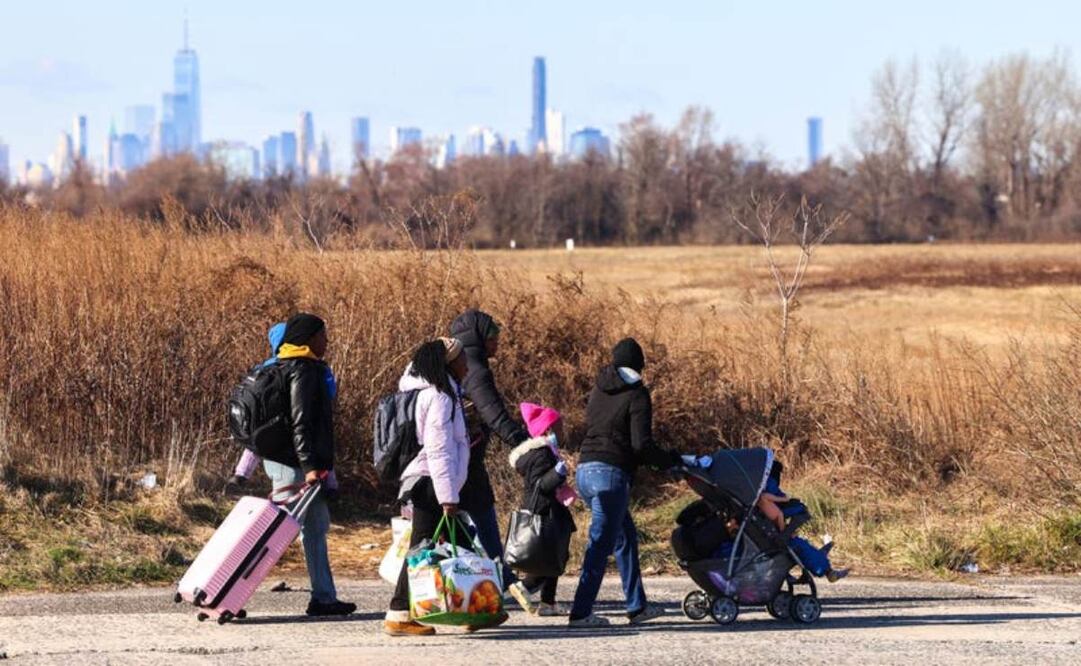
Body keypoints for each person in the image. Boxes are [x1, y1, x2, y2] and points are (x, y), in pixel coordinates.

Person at [384, 338, 509, 636]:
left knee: (463, 542)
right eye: (462, 358)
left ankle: (478, 608)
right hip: (432, 482)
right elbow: (438, 449)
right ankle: (399, 613)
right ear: (449, 363)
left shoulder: (440, 393)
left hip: (438, 480)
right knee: (422, 547)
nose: (467, 364)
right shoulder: (439, 397)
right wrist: (448, 497)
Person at [569, 338, 682, 628]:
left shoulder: (598, 389)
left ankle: (637, 607)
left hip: (584, 472)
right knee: (599, 544)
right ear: (640, 366)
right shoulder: (637, 394)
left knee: (625, 537)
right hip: (610, 474)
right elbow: (641, 444)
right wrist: (668, 460)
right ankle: (580, 614)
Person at [261, 313, 355, 617]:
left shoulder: (280, 365)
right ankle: (229, 587)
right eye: (322, 335)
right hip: (298, 465)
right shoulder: (304, 369)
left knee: (307, 528)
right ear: (308, 338)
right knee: (280, 532)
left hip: (284, 461)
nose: (326, 341)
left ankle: (324, 597)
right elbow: (301, 425)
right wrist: (311, 467)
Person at [449, 309, 536, 612]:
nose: (497, 340)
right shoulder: (475, 369)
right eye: (492, 335)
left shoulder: (459, 364)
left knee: (463, 518)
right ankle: (501, 578)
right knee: (482, 513)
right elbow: (494, 416)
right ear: (479, 338)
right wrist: (526, 442)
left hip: (457, 456)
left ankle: (488, 577)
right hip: (465, 458)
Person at [225, 322, 339, 497]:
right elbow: (325, 398)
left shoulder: (267, 367)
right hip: (293, 452)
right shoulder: (311, 368)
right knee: (320, 441)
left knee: (256, 444)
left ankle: (241, 474)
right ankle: (331, 485)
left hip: (267, 435)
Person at [508, 402, 578, 616]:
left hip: (546, 508)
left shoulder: (540, 452)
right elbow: (541, 484)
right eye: (558, 426)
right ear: (547, 429)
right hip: (545, 509)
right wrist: (559, 472)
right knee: (554, 556)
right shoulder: (542, 454)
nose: (561, 430)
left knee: (556, 554)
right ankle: (526, 587)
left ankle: (548, 603)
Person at [756, 474, 848, 583]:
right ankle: (826, 569)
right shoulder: (762, 488)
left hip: (760, 529)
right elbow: (778, 507)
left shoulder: (748, 491)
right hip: (766, 534)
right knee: (796, 544)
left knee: (794, 541)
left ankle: (818, 559)